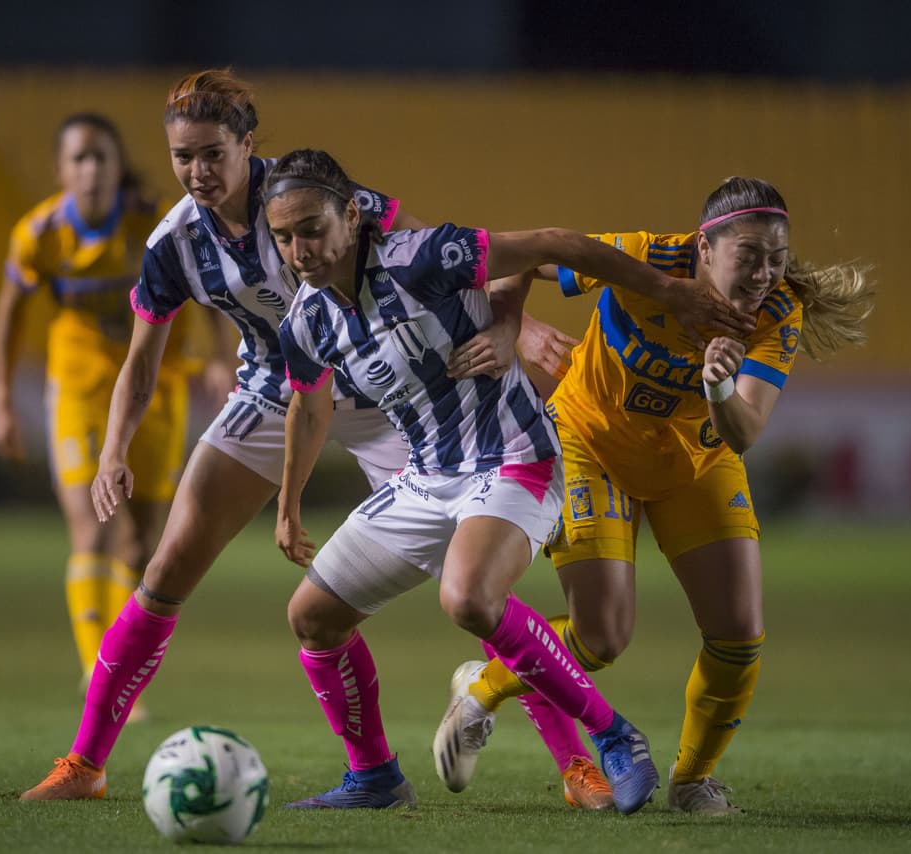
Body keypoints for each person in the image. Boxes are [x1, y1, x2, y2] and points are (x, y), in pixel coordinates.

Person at [265, 149, 756, 815]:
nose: (300, 249)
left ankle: (615, 736)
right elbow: (308, 403)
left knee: (467, 598)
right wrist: (288, 504)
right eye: (284, 236)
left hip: (514, 457)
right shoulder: (308, 319)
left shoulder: (422, 256)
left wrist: (651, 294)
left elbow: (553, 246)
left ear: (351, 216)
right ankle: (375, 777)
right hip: (425, 479)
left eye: (312, 229)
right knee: (312, 618)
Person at [18, 69, 436, 801]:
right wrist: (113, 450)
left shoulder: (311, 193)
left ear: (248, 145)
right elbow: (140, 364)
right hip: (273, 394)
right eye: (183, 157)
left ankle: (575, 757)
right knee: (166, 567)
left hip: (377, 389)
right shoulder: (172, 242)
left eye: (213, 153)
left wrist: (508, 327)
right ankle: (85, 765)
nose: (197, 172)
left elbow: (424, 258)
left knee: (472, 582)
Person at [437, 177, 876, 815]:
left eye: (776, 259)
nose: (763, 274)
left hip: (698, 462)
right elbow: (524, 255)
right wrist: (519, 328)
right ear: (703, 247)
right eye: (748, 255)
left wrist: (721, 387)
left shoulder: (778, 311)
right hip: (592, 448)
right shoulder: (645, 257)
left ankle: (692, 779)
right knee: (600, 639)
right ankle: (487, 680)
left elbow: (746, 431)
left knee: (739, 636)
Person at [0, 113, 216, 709]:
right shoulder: (38, 233)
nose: (91, 170)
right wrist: (2, 398)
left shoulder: (153, 220)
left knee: (140, 544)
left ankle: (115, 661)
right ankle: (102, 676)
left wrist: (216, 357)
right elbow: (11, 310)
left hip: (156, 384)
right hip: (81, 386)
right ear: (61, 169)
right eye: (79, 159)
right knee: (92, 527)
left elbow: (209, 280)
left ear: (118, 168)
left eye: (101, 158)